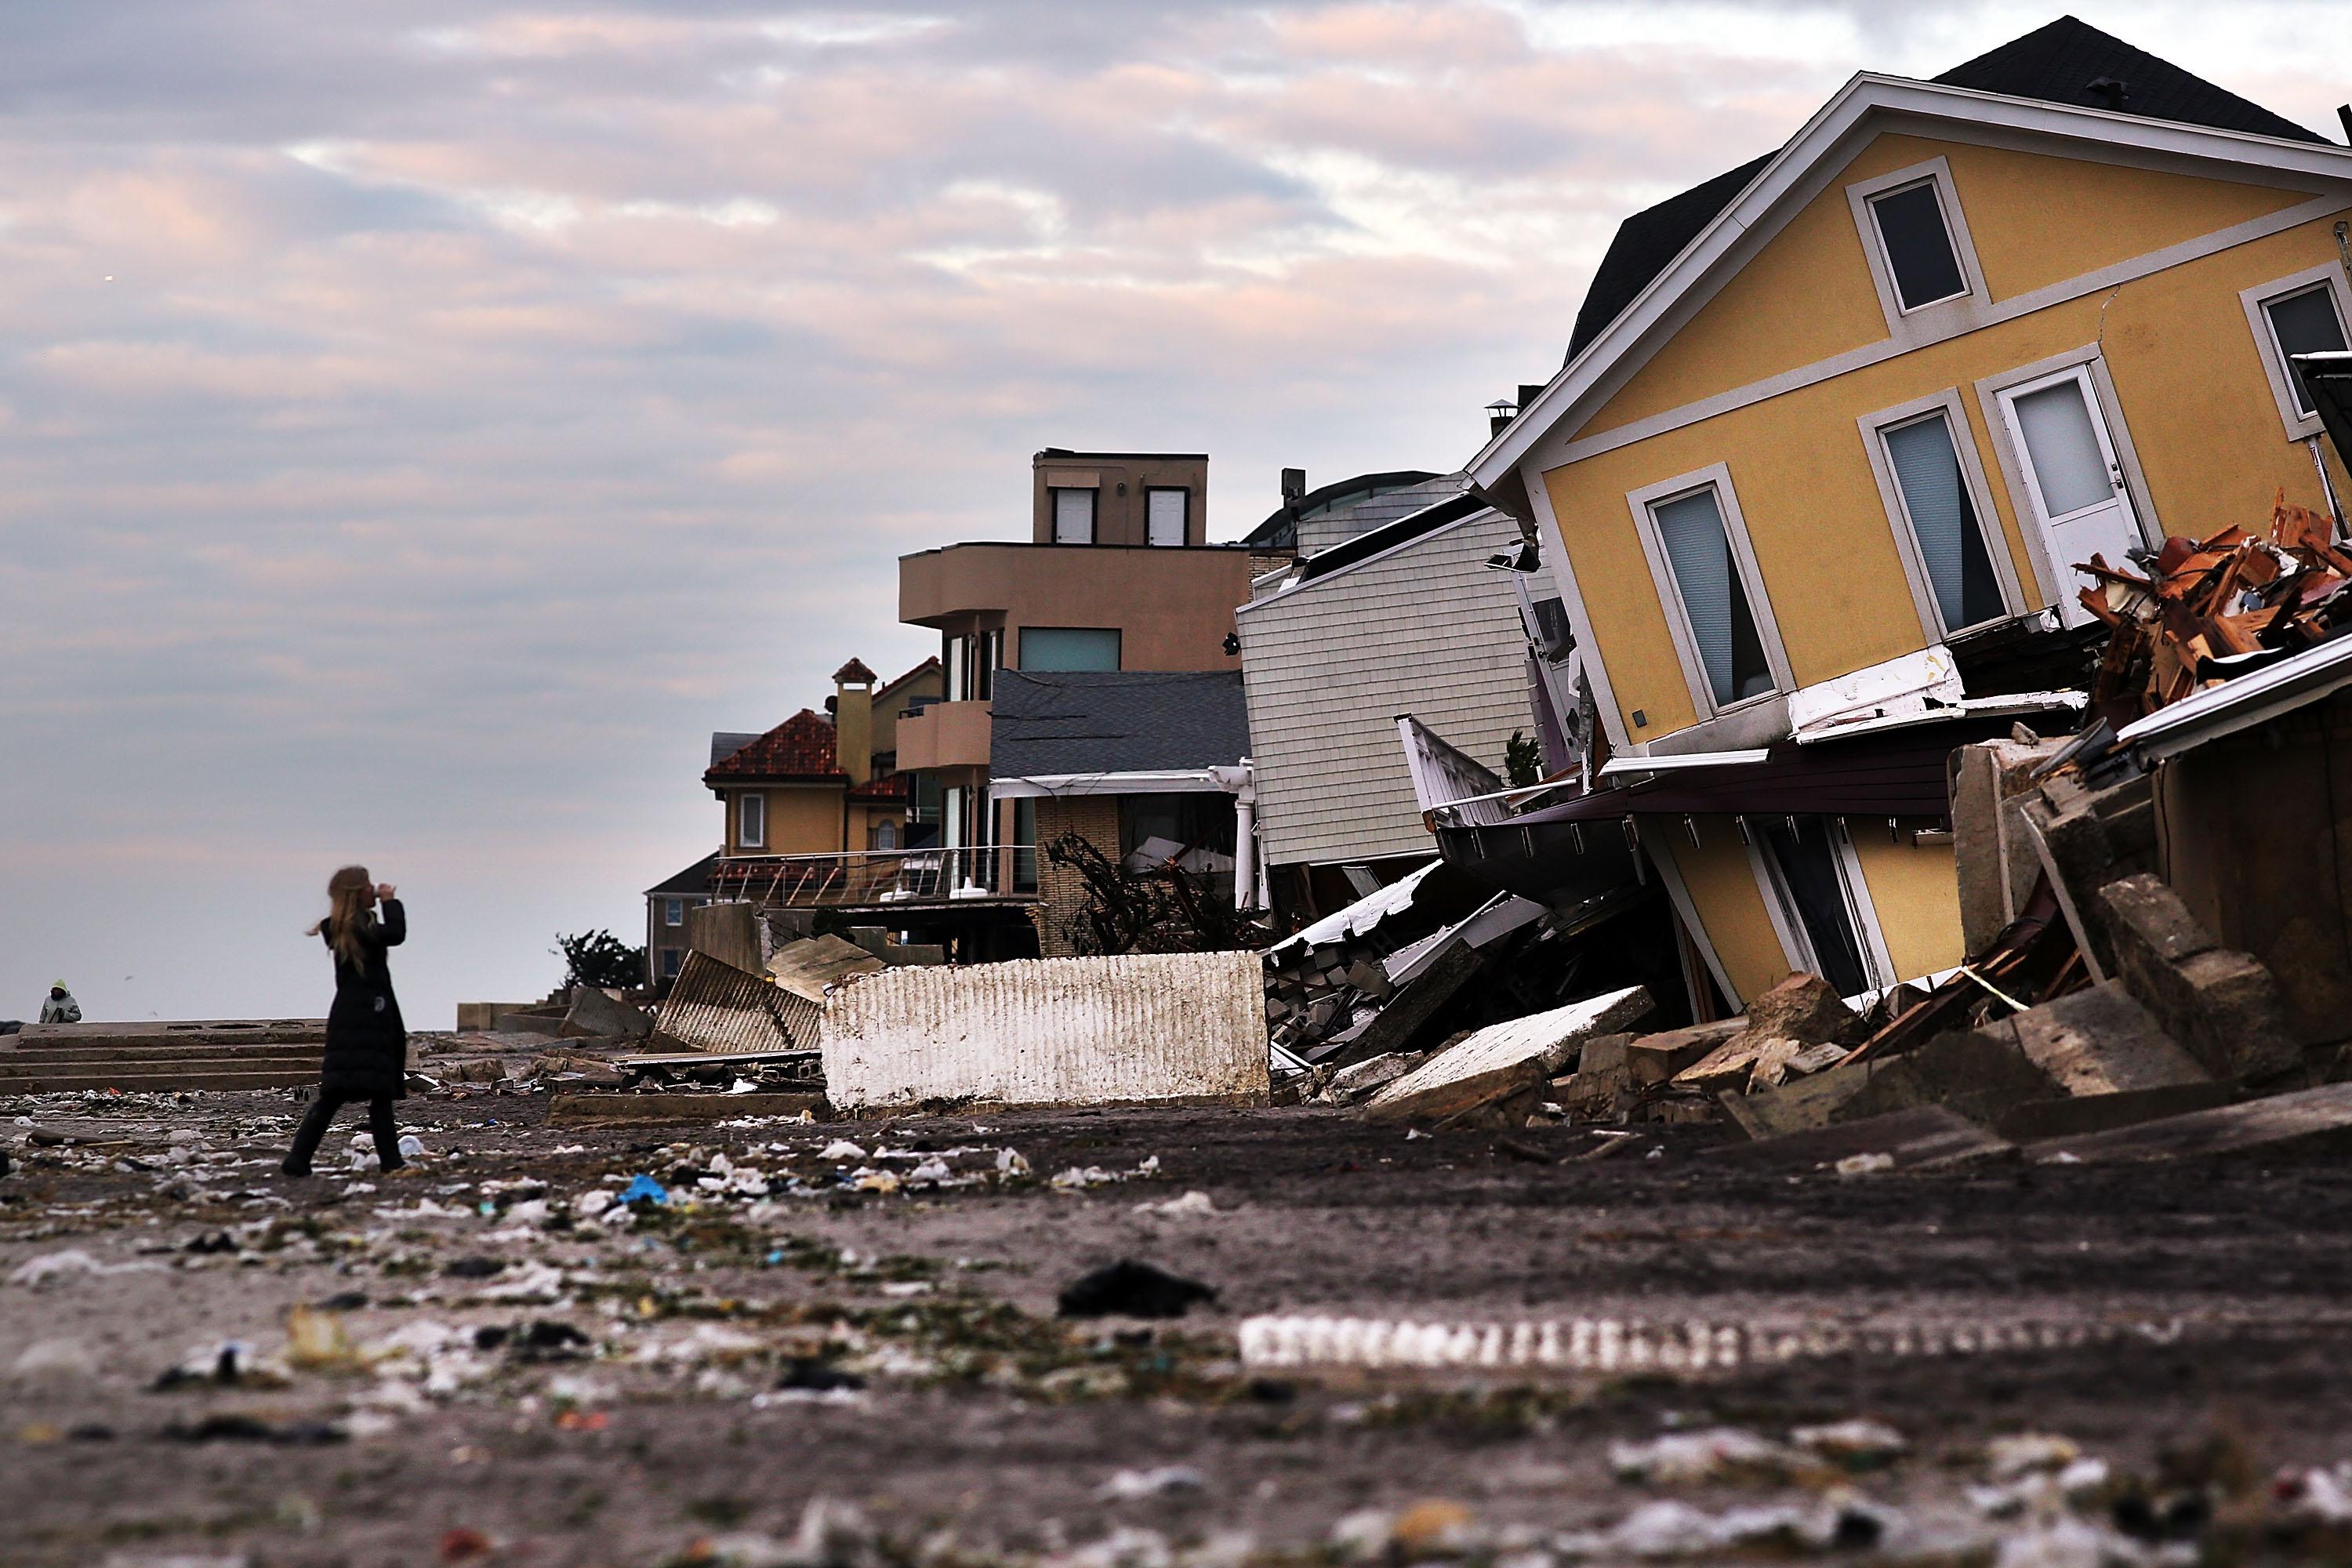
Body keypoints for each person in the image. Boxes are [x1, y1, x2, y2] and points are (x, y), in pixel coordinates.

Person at [281, 867, 410, 1177]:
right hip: (369, 1016)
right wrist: (390, 902)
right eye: (367, 886)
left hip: (350, 1017)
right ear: (356, 892)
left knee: (335, 1095)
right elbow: (395, 934)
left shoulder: (340, 927)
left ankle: (298, 1159)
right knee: (377, 1094)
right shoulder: (357, 927)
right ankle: (391, 1162)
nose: (373, 890)